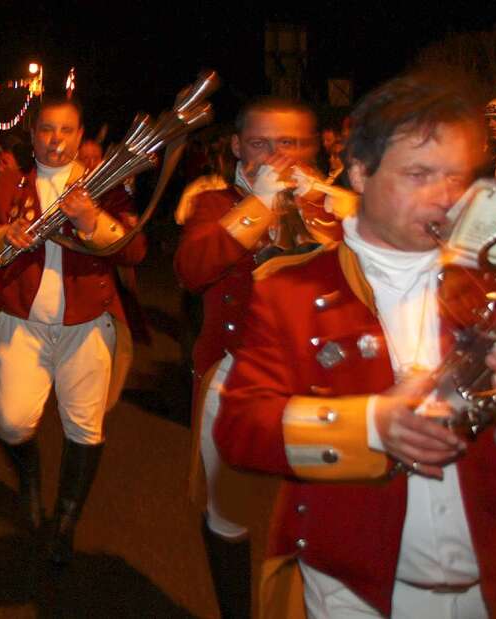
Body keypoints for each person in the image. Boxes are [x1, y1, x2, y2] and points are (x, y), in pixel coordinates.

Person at [214, 71, 496, 617]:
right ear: (359, 171)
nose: (445, 198)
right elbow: (240, 430)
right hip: (352, 594)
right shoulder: (291, 288)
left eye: (456, 177)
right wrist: (372, 427)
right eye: (419, 174)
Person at [174, 97, 345, 619]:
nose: (277, 154)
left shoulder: (334, 204)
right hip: (237, 374)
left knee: (321, 517)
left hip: (324, 385)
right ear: (236, 147)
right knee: (230, 514)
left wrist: (337, 208)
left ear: (310, 147)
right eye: (261, 143)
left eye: (289, 142)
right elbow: (192, 269)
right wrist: (260, 205)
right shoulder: (215, 202)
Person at [0, 96, 146, 564]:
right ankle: (28, 478)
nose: (56, 140)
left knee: (85, 428)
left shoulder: (102, 186)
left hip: (87, 326)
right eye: (46, 129)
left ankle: (64, 523)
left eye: (66, 131)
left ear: (80, 135)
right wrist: (2, 235)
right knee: (11, 421)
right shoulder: (8, 184)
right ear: (32, 134)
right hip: (21, 324)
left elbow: (134, 248)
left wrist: (91, 218)